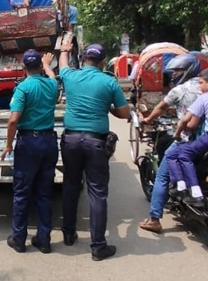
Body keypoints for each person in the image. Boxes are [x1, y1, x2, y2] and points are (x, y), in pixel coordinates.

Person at [58, 40, 130, 261]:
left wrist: (64, 49)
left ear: (83, 59)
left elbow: (61, 63)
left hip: (70, 140)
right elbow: (125, 113)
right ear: (101, 62)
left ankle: (69, 234)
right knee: (97, 193)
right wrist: (106, 106)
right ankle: (98, 246)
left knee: (70, 186)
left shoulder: (70, 76)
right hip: (95, 143)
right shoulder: (109, 83)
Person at [0, 50, 58, 254]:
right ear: (40, 67)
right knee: (44, 193)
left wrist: (8, 144)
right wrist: (47, 64)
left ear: (23, 68)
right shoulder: (52, 85)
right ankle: (43, 239)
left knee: (22, 193)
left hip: (28, 143)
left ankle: (18, 239)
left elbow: (13, 119)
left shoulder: (23, 88)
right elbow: (52, 76)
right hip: (49, 141)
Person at [137, 54, 203, 233]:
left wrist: (148, 119)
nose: (173, 75)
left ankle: (154, 219)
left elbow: (160, 108)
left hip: (188, 140)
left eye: (177, 71)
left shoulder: (181, 90)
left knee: (162, 176)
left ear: (187, 71)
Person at [165, 68, 208, 207]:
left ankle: (190, 191)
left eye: (201, 83)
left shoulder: (205, 97)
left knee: (180, 154)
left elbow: (187, 122)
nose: (199, 86)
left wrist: (177, 134)